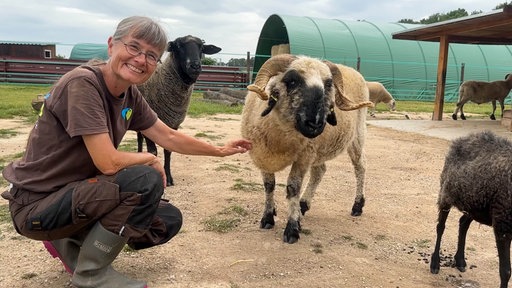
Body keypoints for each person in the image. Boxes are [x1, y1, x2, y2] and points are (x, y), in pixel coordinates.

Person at [1, 16, 251, 288]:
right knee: (144, 181)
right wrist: (150, 158)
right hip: (37, 206)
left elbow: (167, 134)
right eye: (134, 47)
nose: (141, 59)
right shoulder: (83, 84)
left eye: (152, 55)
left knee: (165, 219)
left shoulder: (131, 95)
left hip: (73, 194)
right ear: (111, 45)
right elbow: (108, 162)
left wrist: (219, 150)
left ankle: (67, 241)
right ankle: (90, 274)